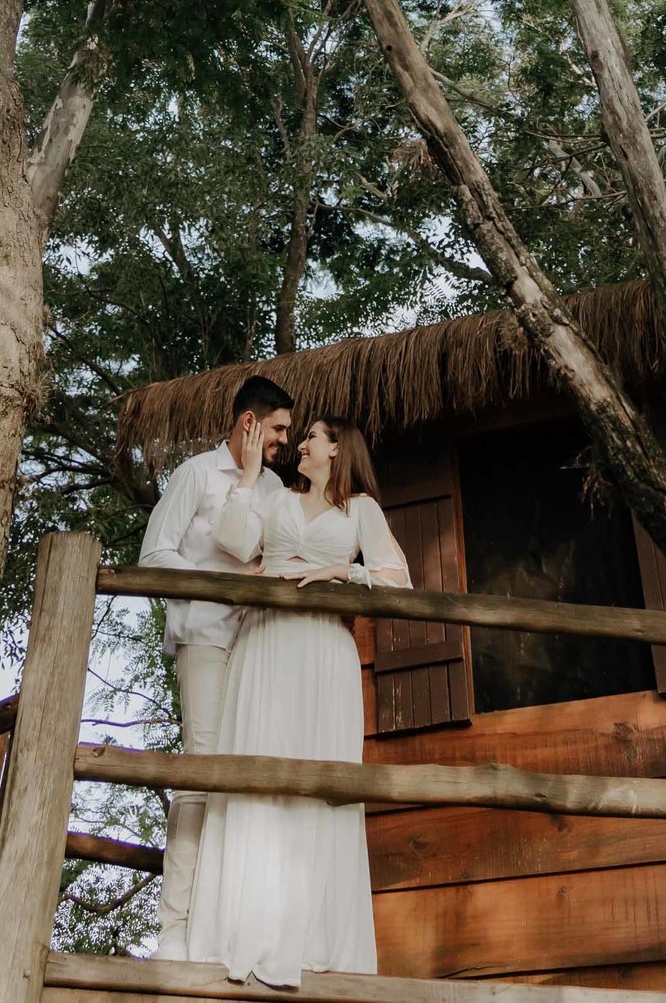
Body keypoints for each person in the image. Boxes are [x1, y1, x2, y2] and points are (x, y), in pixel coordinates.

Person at [185, 415, 411, 988]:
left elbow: (398, 581)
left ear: (336, 449)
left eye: (311, 436)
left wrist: (345, 570)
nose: (301, 445)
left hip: (324, 653)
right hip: (266, 646)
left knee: (319, 782)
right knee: (258, 770)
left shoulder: (361, 510)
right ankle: (243, 927)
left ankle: (312, 939)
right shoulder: (277, 499)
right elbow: (234, 540)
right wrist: (252, 472)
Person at [139, 376, 295, 961]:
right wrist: (225, 586)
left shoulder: (276, 485)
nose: (285, 438)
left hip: (259, 641)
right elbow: (154, 554)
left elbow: (263, 551)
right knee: (201, 774)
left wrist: (255, 484)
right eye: (278, 428)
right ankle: (175, 931)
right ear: (249, 423)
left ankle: (229, 927)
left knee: (248, 776)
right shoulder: (195, 474)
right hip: (204, 636)